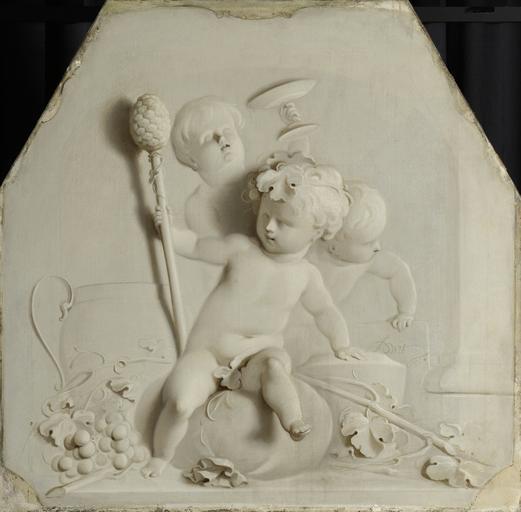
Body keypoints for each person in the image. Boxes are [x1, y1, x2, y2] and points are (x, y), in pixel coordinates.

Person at [142, 159, 360, 478]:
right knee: (179, 402)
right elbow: (197, 246)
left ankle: (292, 420)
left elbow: (325, 311)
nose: (270, 227)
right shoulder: (241, 249)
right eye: (266, 215)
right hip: (210, 352)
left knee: (274, 368)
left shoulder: (305, 275)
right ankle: (161, 455)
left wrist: (342, 344)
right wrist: (168, 232)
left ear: (316, 232)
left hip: (257, 355)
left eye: (284, 223)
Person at [313, 181, 417, 330]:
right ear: (333, 242)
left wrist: (406, 312)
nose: (378, 247)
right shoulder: (309, 257)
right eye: (368, 243)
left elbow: (398, 269)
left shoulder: (365, 261)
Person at [172, 96, 252, 236]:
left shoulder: (263, 180)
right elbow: (212, 246)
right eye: (208, 137)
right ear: (192, 159)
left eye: (227, 131)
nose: (222, 140)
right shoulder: (199, 204)